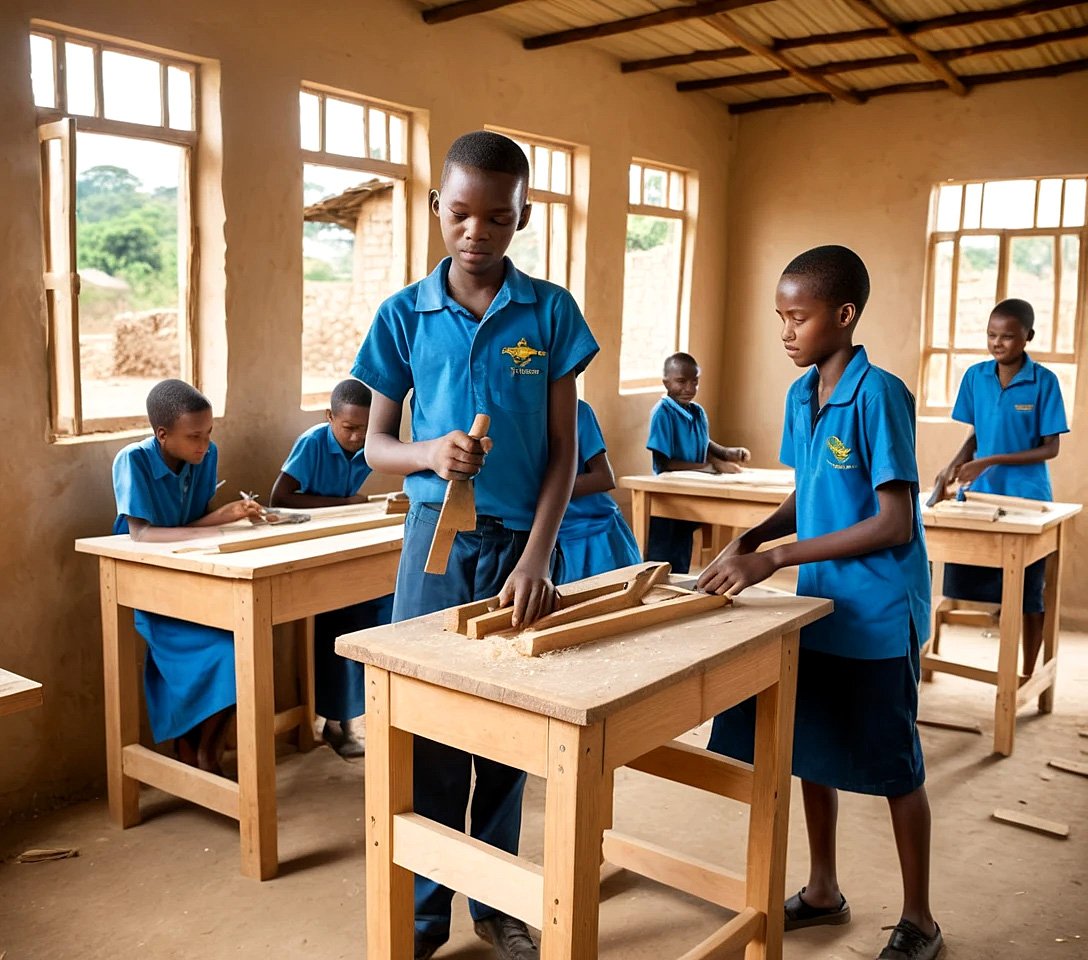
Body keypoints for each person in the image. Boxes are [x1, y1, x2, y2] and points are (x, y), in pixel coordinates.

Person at [351, 130, 598, 960]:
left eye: (499, 216)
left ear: (523, 216)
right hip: (436, 543)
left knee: (513, 728)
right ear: (436, 209)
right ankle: (423, 917)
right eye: (461, 213)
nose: (477, 232)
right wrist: (427, 451)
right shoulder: (404, 315)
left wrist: (538, 555)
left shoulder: (551, 311)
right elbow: (375, 444)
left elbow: (567, 453)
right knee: (429, 722)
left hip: (524, 546)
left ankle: (495, 901)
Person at [698, 246, 941, 960]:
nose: (785, 332)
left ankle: (921, 920)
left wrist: (773, 558)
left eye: (797, 317)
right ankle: (824, 889)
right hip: (820, 608)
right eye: (779, 317)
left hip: (877, 614)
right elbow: (811, 493)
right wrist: (749, 536)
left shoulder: (880, 394)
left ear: (842, 315)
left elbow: (892, 521)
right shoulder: (802, 396)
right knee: (811, 751)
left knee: (897, 768)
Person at [111, 379, 263, 775]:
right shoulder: (134, 460)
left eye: (209, 432)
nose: (204, 443)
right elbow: (141, 533)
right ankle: (199, 752)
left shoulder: (205, 456)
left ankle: (202, 750)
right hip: (150, 585)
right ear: (162, 434)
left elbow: (193, 520)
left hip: (194, 577)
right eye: (194, 436)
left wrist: (227, 514)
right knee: (229, 654)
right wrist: (215, 530)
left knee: (244, 648)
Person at [932, 298, 1068, 676]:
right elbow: (975, 436)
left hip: (1027, 500)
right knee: (960, 578)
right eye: (992, 335)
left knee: (1027, 593)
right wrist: (952, 466)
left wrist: (989, 461)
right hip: (978, 496)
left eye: (1007, 337)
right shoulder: (976, 377)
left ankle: (1025, 673)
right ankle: (935, 660)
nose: (997, 343)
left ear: (1028, 337)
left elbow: (1050, 448)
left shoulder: (1044, 382)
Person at [269, 378, 394, 758]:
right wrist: (347, 504)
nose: (357, 437)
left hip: (343, 542)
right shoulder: (312, 443)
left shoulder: (367, 447)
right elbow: (280, 498)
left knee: (378, 612)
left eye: (365, 428)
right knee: (336, 625)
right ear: (329, 418)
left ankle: (362, 717)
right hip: (310, 546)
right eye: (349, 428)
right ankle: (337, 724)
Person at [645, 351, 751, 573]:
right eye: (681, 382)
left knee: (682, 554)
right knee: (662, 559)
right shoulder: (662, 413)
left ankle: (682, 596)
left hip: (693, 492)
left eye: (695, 382)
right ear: (666, 382)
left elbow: (705, 443)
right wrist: (711, 468)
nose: (689, 389)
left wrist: (728, 453)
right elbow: (665, 464)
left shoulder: (697, 411)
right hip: (668, 496)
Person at [554, 399, 641, 584]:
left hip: (595, 537)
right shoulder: (515, 415)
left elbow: (603, 477)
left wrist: (542, 491)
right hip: (552, 541)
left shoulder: (578, 411)